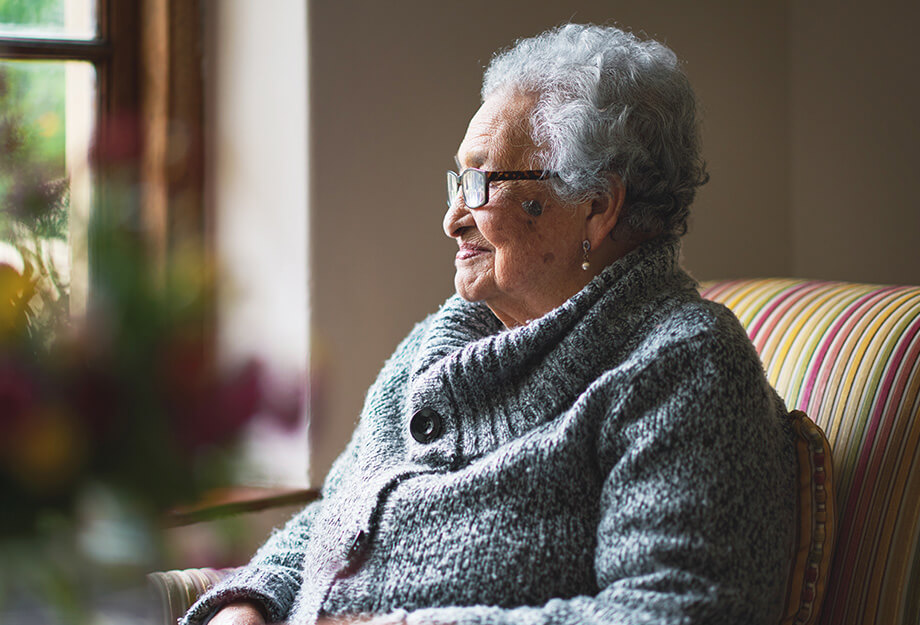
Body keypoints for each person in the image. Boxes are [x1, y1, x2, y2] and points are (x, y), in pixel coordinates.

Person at [185, 23, 795, 625]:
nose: (453, 219)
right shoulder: (433, 345)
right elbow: (336, 515)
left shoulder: (681, 368)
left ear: (596, 206)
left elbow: (676, 612)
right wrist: (251, 601)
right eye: (457, 181)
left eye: (481, 183)